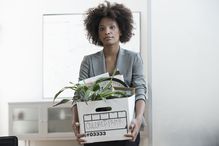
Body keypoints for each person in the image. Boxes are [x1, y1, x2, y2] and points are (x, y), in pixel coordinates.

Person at [71, 1, 147, 146]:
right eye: (102, 29)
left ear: (121, 30)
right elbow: (79, 94)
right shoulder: (88, 61)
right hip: (95, 130)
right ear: (97, 34)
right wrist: (75, 122)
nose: (107, 32)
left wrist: (137, 119)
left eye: (112, 27)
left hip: (126, 128)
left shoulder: (134, 58)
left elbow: (140, 91)